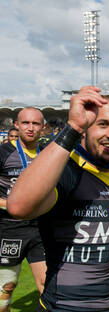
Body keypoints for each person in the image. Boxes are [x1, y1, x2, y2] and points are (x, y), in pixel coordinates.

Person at [7, 86, 109, 312]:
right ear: (86, 128)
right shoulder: (68, 173)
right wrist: (73, 127)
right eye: (103, 124)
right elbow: (18, 206)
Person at [0, 108, 47, 312]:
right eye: (26, 123)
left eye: (35, 124)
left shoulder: (47, 153)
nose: (30, 128)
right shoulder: (3, 153)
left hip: (41, 228)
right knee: (6, 288)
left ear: (43, 128)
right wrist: (13, 206)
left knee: (47, 285)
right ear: (17, 126)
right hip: (9, 229)